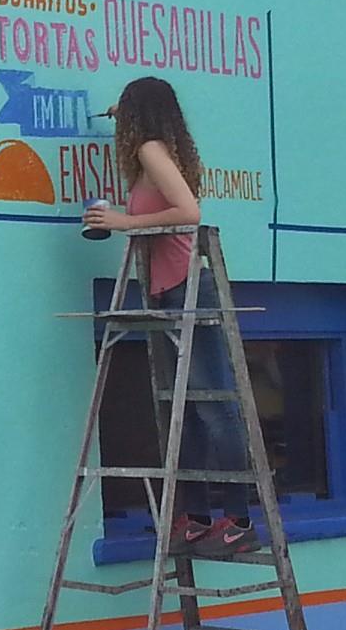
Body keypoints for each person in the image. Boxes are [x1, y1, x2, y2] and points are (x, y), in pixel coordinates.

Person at [82, 76, 257, 557]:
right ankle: (197, 518)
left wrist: (123, 222)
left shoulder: (151, 151)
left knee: (214, 408)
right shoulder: (156, 152)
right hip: (166, 292)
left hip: (187, 289)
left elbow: (189, 211)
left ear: (138, 115)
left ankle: (239, 520)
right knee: (189, 413)